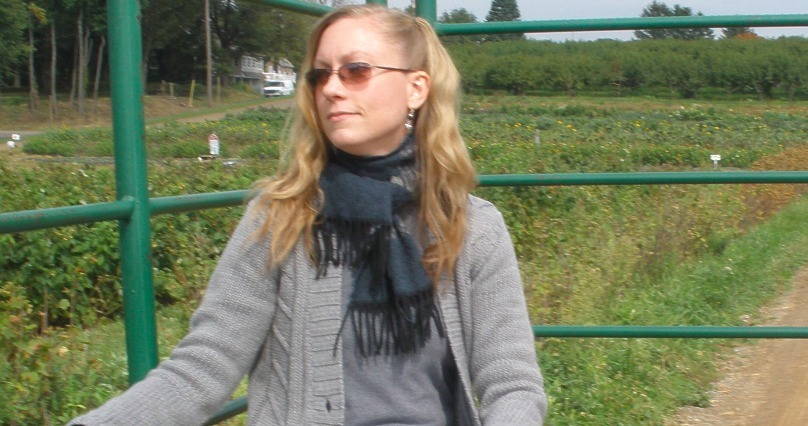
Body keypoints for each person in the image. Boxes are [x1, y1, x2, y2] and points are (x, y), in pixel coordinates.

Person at [70, 5, 546, 425]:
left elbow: (513, 387)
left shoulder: (472, 227)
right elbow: (203, 367)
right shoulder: (281, 218)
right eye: (321, 75)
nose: (332, 89)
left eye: (355, 70)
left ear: (416, 88)